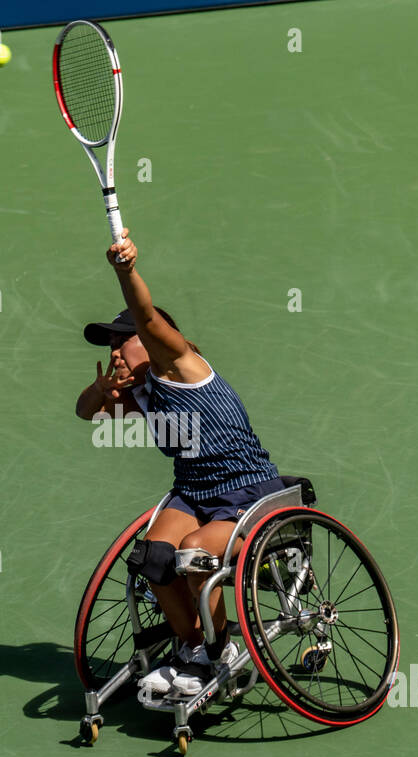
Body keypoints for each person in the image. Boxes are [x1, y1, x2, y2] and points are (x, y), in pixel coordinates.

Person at [76, 228, 285, 697]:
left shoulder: (182, 365)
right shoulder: (142, 392)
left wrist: (125, 270)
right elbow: (86, 411)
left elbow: (147, 318)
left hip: (248, 494)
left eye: (123, 341)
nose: (115, 352)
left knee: (192, 554)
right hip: (192, 492)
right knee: (154, 557)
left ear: (154, 341)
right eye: (110, 345)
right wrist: (101, 392)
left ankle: (221, 650)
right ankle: (193, 649)